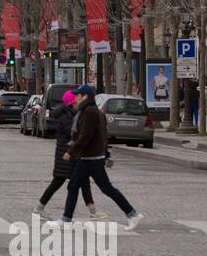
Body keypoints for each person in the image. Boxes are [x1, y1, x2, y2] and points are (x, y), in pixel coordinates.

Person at [48, 85, 145, 230]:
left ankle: (132, 214)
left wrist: (71, 151)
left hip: (92, 158)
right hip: (88, 157)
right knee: (73, 185)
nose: (76, 97)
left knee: (106, 188)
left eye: (79, 95)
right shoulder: (87, 111)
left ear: (85, 96)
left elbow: (85, 136)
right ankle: (66, 219)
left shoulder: (90, 112)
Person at [34, 89, 102, 220]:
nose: (78, 100)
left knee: (81, 181)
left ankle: (92, 211)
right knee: (61, 182)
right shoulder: (67, 117)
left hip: (70, 153)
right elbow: (75, 134)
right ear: (71, 103)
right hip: (66, 155)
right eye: (76, 99)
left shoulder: (72, 114)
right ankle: (39, 208)